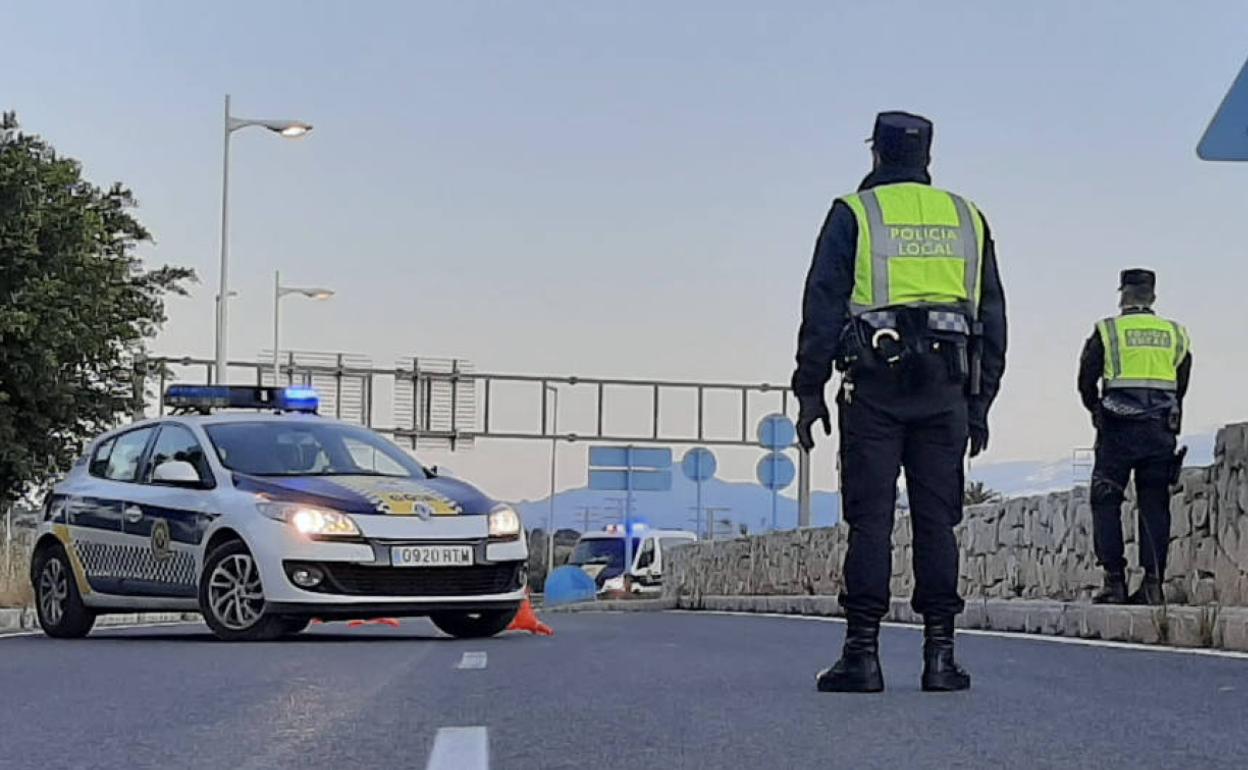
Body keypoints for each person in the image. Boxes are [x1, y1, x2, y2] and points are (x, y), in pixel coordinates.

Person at [792, 111, 1007, 693]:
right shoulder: (968, 217)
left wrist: (810, 390)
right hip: (946, 392)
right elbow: (992, 318)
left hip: (875, 390)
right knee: (938, 524)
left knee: (871, 524)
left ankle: (862, 656)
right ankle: (941, 658)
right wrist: (980, 403)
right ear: (928, 157)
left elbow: (822, 303)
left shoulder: (853, 213)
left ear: (875, 154)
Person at [1078, 269, 1191, 606]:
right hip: (1160, 430)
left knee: (1106, 499)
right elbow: (1181, 383)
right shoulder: (1175, 333)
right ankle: (1153, 585)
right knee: (1155, 504)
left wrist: (1096, 410)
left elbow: (1085, 379)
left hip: (1117, 429)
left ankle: (1114, 582)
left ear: (1123, 295)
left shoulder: (1108, 330)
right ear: (1152, 297)